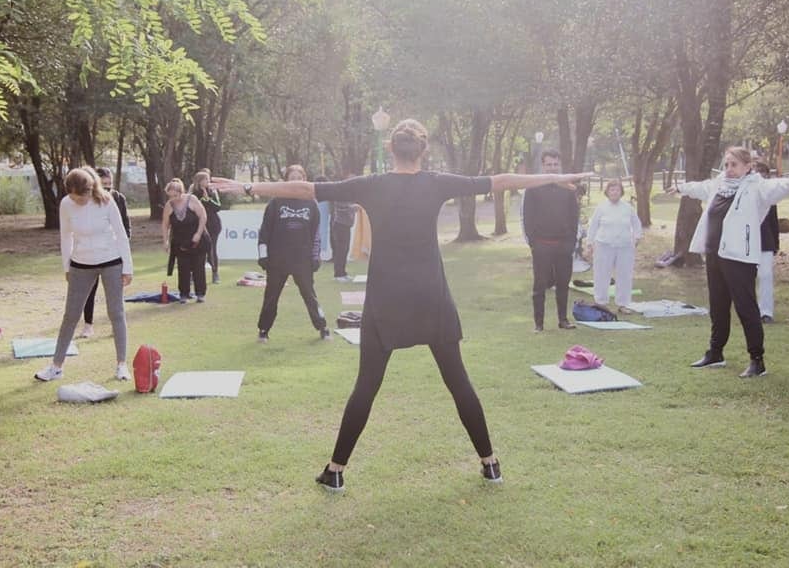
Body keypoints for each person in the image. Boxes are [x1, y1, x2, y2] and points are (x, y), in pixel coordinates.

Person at [212, 119, 591, 492]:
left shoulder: (372, 185)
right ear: (423, 151)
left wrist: (248, 185)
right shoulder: (436, 182)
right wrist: (557, 178)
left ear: (391, 149)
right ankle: (490, 464)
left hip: (387, 298)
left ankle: (336, 470)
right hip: (431, 295)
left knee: (367, 386)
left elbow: (306, 188)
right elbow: (503, 180)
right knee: (458, 382)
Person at [668, 146, 789, 378]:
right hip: (714, 253)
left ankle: (757, 360)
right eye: (726, 164)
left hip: (740, 257)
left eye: (734, 164)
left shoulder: (756, 187)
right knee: (717, 306)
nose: (729, 169)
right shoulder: (719, 184)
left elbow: (777, 186)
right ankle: (716, 352)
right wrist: (680, 188)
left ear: (748, 167)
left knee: (746, 307)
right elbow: (700, 187)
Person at [35, 167, 133, 382]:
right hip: (81, 264)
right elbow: (66, 237)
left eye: (82, 196)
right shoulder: (66, 204)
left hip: (111, 262)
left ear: (90, 190)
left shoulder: (106, 200)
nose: (77, 201)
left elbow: (121, 234)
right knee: (70, 316)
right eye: (73, 196)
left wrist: (128, 268)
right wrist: (67, 267)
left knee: (116, 313)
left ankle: (121, 365)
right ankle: (56, 366)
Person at [255, 165, 330, 343]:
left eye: (299, 176)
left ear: (304, 179)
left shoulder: (311, 203)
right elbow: (264, 231)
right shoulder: (275, 202)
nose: (295, 179)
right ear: (286, 179)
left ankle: (323, 327)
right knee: (271, 296)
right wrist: (263, 255)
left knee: (309, 295)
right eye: (292, 176)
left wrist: (315, 256)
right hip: (277, 259)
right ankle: (263, 330)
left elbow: (316, 234)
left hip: (302, 259)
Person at [522, 150, 580, 331]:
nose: (552, 167)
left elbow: (574, 216)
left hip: (564, 245)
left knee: (563, 284)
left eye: (555, 164)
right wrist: (533, 243)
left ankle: (563, 320)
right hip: (541, 245)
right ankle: (538, 324)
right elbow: (527, 217)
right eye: (549, 164)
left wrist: (571, 243)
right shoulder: (533, 188)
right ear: (543, 165)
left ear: (559, 165)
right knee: (539, 286)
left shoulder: (568, 188)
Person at [77, 167, 131, 339]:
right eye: (104, 185)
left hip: (113, 255)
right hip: (92, 255)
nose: (107, 188)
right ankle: (88, 325)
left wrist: (122, 249)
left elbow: (125, 227)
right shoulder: (88, 202)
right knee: (89, 291)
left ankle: (116, 326)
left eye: (110, 185)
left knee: (115, 294)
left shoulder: (118, 199)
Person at [586, 179, 642, 313]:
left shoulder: (628, 208)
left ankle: (623, 304)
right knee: (601, 274)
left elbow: (636, 224)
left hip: (624, 246)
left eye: (617, 189)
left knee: (624, 275)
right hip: (604, 245)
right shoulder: (601, 208)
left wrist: (637, 237)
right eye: (612, 189)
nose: (614, 192)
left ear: (621, 192)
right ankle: (600, 302)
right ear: (607, 192)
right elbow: (593, 226)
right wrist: (589, 243)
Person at [162, 178, 209, 303]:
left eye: (175, 195)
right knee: (183, 267)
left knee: (199, 266)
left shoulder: (192, 200)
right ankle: (184, 294)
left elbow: (203, 216)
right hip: (180, 241)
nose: (173, 198)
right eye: (170, 196)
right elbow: (165, 224)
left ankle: (200, 293)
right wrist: (165, 241)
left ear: (181, 192)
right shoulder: (169, 205)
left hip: (196, 239)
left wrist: (198, 234)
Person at [753, 161, 780, 323]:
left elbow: (773, 221)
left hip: (766, 241)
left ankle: (766, 312)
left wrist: (776, 243)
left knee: (766, 275)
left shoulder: (770, 196)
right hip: (747, 242)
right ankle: (751, 310)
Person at [191, 170, 223, 284]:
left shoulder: (212, 192)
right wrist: (202, 199)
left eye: (208, 179)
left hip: (213, 224)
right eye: (205, 179)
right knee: (196, 250)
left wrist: (208, 199)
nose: (208, 181)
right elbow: (192, 208)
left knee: (211, 249)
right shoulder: (193, 194)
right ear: (199, 181)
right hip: (198, 225)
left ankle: (215, 274)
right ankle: (193, 274)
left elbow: (218, 207)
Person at [330, 173, 358, 281]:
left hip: (346, 225)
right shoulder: (341, 192)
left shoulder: (352, 193)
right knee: (341, 249)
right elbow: (339, 207)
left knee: (345, 249)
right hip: (339, 224)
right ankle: (338, 274)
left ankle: (343, 273)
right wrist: (352, 207)